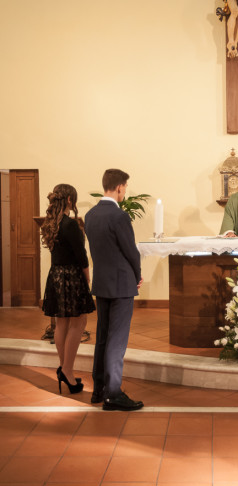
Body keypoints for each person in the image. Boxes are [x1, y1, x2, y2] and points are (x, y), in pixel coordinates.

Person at [85, 169, 144, 411]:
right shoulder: (119, 216)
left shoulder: (90, 215)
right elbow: (131, 251)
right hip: (121, 284)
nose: (125, 191)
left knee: (103, 337)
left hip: (102, 283)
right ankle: (113, 394)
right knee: (117, 341)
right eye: (125, 187)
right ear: (119, 187)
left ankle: (98, 389)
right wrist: (137, 275)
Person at [41, 184, 95, 395]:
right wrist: (87, 276)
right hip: (71, 276)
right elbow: (81, 254)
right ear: (70, 200)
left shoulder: (50, 223)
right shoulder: (70, 224)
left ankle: (65, 369)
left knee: (61, 323)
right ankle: (67, 370)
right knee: (79, 322)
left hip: (56, 275)